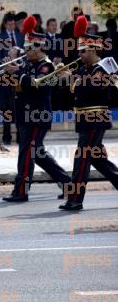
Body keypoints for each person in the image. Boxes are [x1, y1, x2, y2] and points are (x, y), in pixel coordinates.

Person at [1, 15, 70, 202]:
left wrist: (18, 72)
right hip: (25, 115)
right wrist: (9, 73)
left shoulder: (46, 67)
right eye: (26, 47)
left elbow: (36, 85)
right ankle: (68, 184)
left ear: (40, 48)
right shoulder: (29, 65)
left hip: (37, 117)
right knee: (38, 154)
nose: (27, 51)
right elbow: (19, 87)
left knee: (26, 153)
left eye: (30, 48)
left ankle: (21, 191)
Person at [59, 16, 118, 210]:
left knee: (82, 158)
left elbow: (93, 86)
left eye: (83, 51)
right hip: (85, 119)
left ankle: (75, 199)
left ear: (93, 49)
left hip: (95, 119)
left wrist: (72, 79)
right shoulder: (87, 68)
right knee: (98, 160)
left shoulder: (105, 66)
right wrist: (68, 76)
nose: (80, 55)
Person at [0, 13, 23, 148]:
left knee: (18, 107)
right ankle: (6, 137)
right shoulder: (0, 38)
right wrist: (6, 65)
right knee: (6, 109)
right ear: (5, 24)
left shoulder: (20, 35)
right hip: (5, 78)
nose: (12, 27)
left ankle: (20, 136)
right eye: (10, 24)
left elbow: (24, 56)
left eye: (14, 24)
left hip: (18, 77)